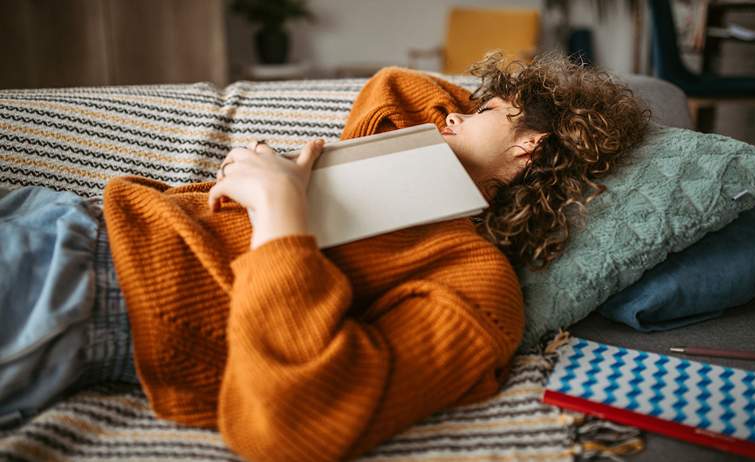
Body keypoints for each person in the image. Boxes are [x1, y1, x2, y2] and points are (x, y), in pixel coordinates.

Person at [0, 51, 649, 461]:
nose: (451, 115)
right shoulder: (389, 160)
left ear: (529, 148)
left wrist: (279, 216)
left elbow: (292, 422)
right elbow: (397, 88)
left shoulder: (475, 286)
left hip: (86, 286)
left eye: (483, 110)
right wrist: (471, 143)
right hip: (61, 212)